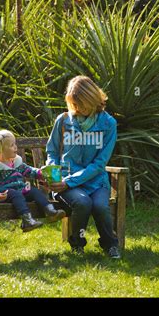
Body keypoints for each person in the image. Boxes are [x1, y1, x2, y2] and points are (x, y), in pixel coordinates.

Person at [46, 75, 121, 259]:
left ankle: (110, 245)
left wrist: (70, 182)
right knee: (82, 202)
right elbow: (52, 151)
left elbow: (99, 163)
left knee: (100, 206)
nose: (77, 108)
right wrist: (54, 174)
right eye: (74, 104)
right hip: (65, 182)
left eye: (81, 104)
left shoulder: (108, 124)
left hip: (95, 181)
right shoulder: (63, 121)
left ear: (93, 99)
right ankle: (77, 245)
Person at [0, 130, 65, 232]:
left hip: (20, 190)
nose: (15, 147)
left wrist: (40, 173)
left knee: (34, 191)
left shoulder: (15, 162)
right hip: (5, 194)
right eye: (12, 145)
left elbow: (28, 171)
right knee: (16, 194)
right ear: (0, 150)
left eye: (15, 144)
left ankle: (50, 211)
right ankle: (27, 220)